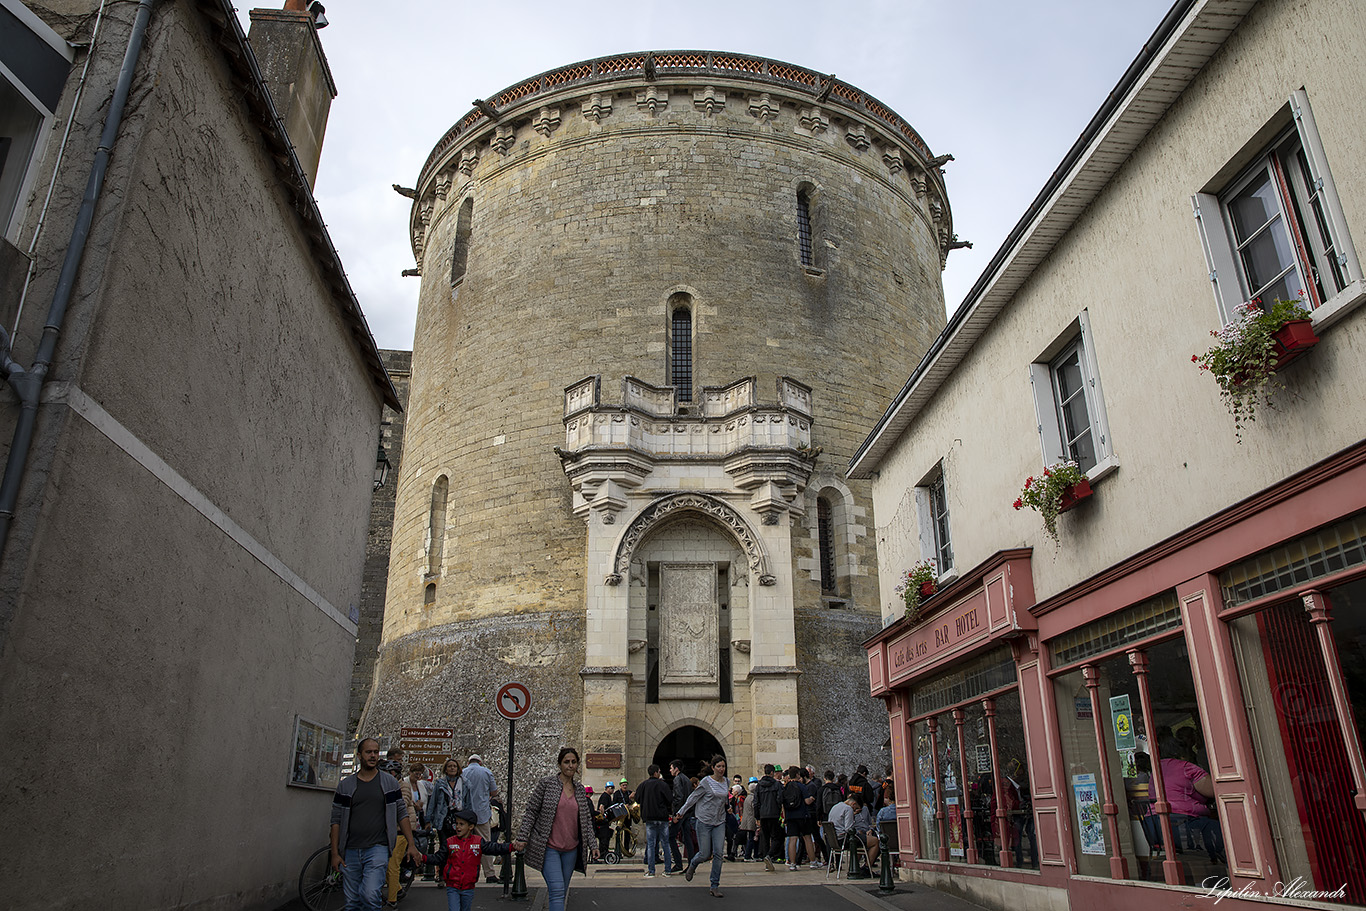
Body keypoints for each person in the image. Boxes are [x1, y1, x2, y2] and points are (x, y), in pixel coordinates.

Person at [329, 737, 423, 911]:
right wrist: (335, 853)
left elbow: (401, 813)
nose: (373, 756)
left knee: (370, 894)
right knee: (352, 902)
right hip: (350, 849)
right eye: (368, 752)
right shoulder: (346, 786)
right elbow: (336, 820)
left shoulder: (389, 784)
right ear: (359, 755)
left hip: (377, 848)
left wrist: (411, 844)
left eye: (375, 752)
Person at [512, 747, 599, 911]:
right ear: (560, 764)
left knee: (561, 891)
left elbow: (586, 819)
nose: (570, 766)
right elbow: (531, 811)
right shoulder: (547, 784)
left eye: (573, 762)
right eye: (566, 762)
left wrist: (593, 845)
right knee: (558, 889)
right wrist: (523, 837)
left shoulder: (580, 790)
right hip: (549, 848)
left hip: (571, 850)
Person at [431, 808, 513, 911]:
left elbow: (494, 848)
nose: (458, 827)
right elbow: (438, 857)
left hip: (468, 886)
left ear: (471, 827)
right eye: (457, 824)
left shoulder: (477, 842)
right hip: (453, 885)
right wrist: (423, 858)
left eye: (461, 824)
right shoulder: (450, 842)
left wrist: (511, 847)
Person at [674, 755, 731, 898]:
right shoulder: (706, 782)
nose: (721, 769)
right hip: (704, 821)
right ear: (713, 768)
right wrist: (681, 812)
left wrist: (728, 808)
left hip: (719, 821)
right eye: (718, 766)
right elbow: (693, 797)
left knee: (718, 853)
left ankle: (714, 885)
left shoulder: (726, 782)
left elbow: (724, 799)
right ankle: (693, 864)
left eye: (723, 766)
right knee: (705, 854)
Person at [458, 754, 501, 883]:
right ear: (480, 762)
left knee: (465, 844)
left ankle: (465, 872)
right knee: (486, 843)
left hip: (466, 814)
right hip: (482, 813)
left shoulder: (463, 773)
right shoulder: (486, 772)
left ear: (468, 762)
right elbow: (494, 792)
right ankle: (489, 874)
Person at [635, 764, 674, 877]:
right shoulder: (663, 785)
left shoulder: (643, 785)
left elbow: (637, 798)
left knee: (651, 844)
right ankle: (667, 870)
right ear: (656, 773)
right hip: (662, 818)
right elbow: (670, 799)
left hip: (650, 818)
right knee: (665, 844)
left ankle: (651, 871)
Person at [829, 792, 878, 873]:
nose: (854, 810)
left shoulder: (835, 806)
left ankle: (855, 866)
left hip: (834, 840)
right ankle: (866, 867)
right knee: (874, 841)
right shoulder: (848, 809)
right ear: (854, 804)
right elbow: (849, 829)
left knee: (862, 841)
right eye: (855, 808)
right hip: (844, 839)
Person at [782, 766, 817, 870]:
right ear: (797, 774)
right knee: (807, 838)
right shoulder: (801, 786)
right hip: (802, 816)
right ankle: (813, 862)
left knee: (792, 839)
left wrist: (785, 818)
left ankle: (792, 863)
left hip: (790, 816)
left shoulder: (786, 787)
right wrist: (811, 799)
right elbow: (806, 801)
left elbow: (783, 804)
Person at [752, 763, 783, 872]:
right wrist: (779, 810)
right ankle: (769, 856)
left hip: (763, 815)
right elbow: (779, 799)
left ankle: (766, 861)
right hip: (774, 815)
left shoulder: (759, 785)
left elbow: (756, 802)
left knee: (765, 838)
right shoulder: (776, 784)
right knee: (777, 837)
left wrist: (757, 816)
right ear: (772, 772)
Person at [668, 760, 692, 871]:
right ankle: (691, 864)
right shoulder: (687, 779)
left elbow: (678, 797)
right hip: (687, 812)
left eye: (671, 768)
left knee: (671, 836)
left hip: (680, 813)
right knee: (687, 838)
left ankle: (678, 863)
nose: (670, 770)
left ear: (676, 769)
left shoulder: (677, 779)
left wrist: (676, 814)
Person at [429, 759, 462, 838]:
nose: (452, 768)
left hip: (460, 817)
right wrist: (429, 820)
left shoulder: (464, 783)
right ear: (445, 769)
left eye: (454, 766)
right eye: (449, 766)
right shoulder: (440, 784)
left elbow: (468, 802)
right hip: (444, 818)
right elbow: (433, 802)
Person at [739, 778, 758, 860]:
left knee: (750, 838)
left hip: (746, 820)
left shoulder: (747, 797)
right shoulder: (753, 798)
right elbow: (754, 809)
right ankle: (748, 855)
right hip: (751, 820)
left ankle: (749, 854)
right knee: (751, 838)